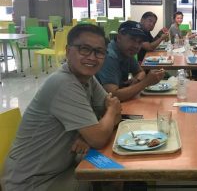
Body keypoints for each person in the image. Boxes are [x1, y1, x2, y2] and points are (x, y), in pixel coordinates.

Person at [2, 24, 122, 191]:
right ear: (67, 51)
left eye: (99, 52)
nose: (92, 57)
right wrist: (108, 113)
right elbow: (102, 133)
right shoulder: (63, 83)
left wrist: (88, 133)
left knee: (115, 172)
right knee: (114, 176)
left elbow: (117, 117)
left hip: (60, 169)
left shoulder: (87, 78)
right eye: (84, 49)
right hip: (32, 182)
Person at [96, 21, 165, 102]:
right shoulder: (109, 56)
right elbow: (113, 96)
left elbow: (140, 72)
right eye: (132, 39)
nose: (136, 46)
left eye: (139, 42)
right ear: (119, 37)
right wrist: (145, 82)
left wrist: (137, 81)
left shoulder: (127, 52)